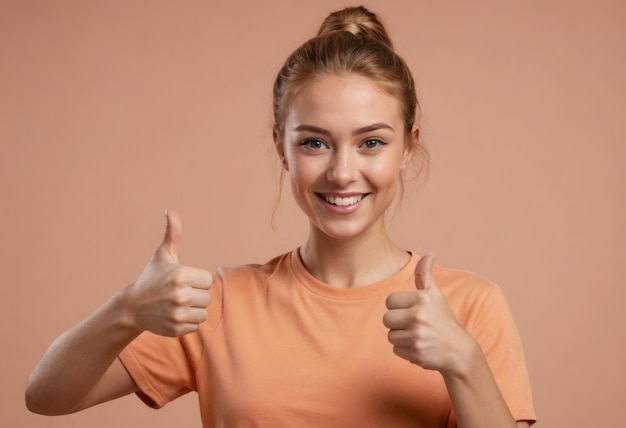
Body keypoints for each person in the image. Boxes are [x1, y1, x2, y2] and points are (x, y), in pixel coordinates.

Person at [25, 6, 536, 427]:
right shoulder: (223, 304)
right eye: (314, 142)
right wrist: (126, 310)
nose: (341, 171)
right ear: (281, 147)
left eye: (371, 142)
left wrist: (463, 362)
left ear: (408, 147)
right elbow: (46, 396)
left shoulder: (469, 308)